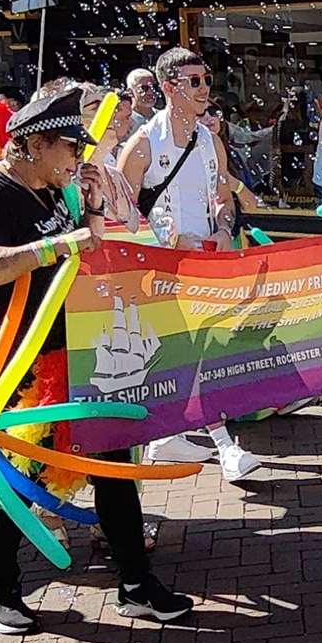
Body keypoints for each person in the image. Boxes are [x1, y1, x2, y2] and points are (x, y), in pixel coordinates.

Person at [0, 87, 193, 633]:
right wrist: (56, 247)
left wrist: (95, 209)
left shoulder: (55, 188)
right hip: (16, 362)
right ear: (32, 144)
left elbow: (92, 246)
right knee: (19, 474)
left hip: (76, 347)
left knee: (111, 462)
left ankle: (135, 583)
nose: (78, 158)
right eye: (68, 147)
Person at [116, 47, 263, 481]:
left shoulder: (209, 140)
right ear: (168, 88)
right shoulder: (143, 145)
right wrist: (163, 238)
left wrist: (222, 227)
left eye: (206, 79)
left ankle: (164, 438)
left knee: (191, 354)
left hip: (205, 264)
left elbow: (223, 200)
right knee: (195, 353)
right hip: (160, 272)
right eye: (194, 81)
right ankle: (225, 446)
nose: (204, 89)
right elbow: (121, 214)